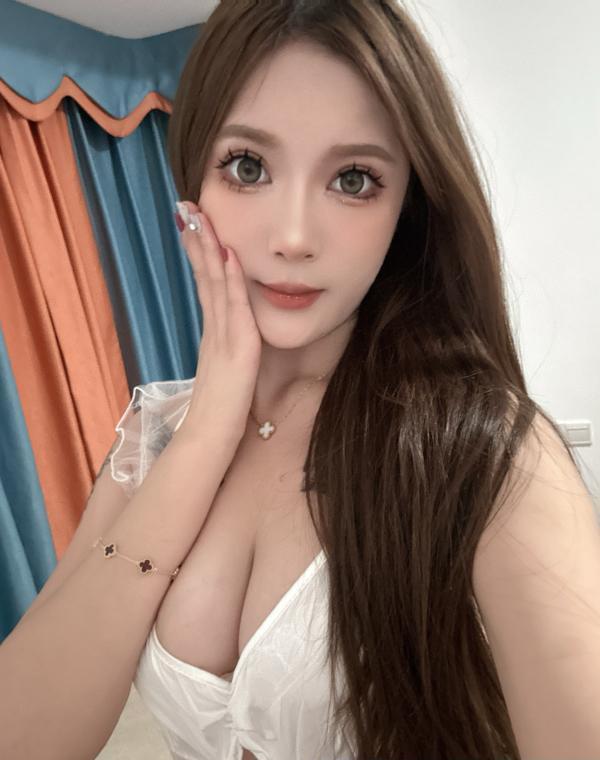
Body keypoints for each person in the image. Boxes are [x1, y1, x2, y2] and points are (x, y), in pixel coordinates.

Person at [2, 1, 599, 759]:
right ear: (194, 180)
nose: (292, 237)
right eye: (248, 167)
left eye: (353, 179)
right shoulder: (155, 433)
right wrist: (210, 425)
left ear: (407, 208)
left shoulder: (486, 453)